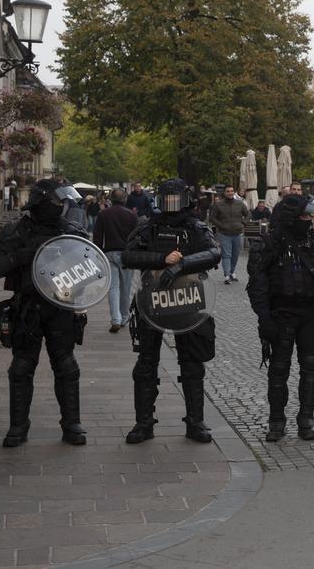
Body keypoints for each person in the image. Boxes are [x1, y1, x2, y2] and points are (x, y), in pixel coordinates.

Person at [0, 179, 90, 447]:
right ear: (42, 203)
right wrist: (23, 255)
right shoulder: (14, 232)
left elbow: (91, 266)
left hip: (60, 306)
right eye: (57, 202)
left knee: (66, 367)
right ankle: (18, 427)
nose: (62, 206)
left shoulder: (70, 232)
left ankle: (72, 424)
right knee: (21, 368)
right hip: (27, 307)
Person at [122, 178, 221, 444]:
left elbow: (214, 253)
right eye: (166, 200)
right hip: (151, 301)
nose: (171, 205)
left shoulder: (196, 227)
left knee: (192, 364)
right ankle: (144, 423)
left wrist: (181, 265)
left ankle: (195, 422)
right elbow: (128, 256)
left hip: (188, 299)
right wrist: (161, 260)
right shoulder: (149, 227)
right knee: (145, 364)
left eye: (175, 200)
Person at [247, 195, 314, 442]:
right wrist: (264, 317)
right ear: (291, 217)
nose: (309, 220)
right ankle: (276, 421)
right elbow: (256, 284)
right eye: (305, 216)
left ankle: (306, 420)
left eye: (310, 216)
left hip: (311, 313)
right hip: (281, 314)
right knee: (278, 370)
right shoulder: (268, 243)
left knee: (311, 368)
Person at [93, 187, 139, 333]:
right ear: (125, 199)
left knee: (113, 289)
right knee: (125, 288)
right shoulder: (131, 215)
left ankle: (116, 319)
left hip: (109, 254)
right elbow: (136, 237)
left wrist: (98, 254)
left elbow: (98, 237)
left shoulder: (103, 214)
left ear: (110, 199)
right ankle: (124, 317)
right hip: (126, 255)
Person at [208, 184, 249, 284]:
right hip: (224, 233)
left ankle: (232, 272)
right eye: (228, 191)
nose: (230, 193)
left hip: (238, 233)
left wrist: (243, 223)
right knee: (226, 255)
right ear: (224, 193)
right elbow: (212, 218)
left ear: (233, 192)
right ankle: (226, 275)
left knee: (235, 254)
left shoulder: (240, 203)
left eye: (231, 191)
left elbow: (248, 214)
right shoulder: (219, 205)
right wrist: (220, 225)